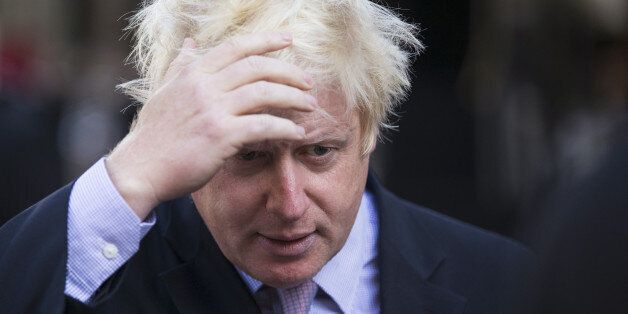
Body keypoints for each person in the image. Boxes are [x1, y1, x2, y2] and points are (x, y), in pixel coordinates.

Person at [0, 1, 533, 313]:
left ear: (368, 128)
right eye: (248, 155)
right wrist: (129, 173)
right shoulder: (104, 281)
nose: (289, 202)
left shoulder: (505, 283)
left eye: (319, 151)